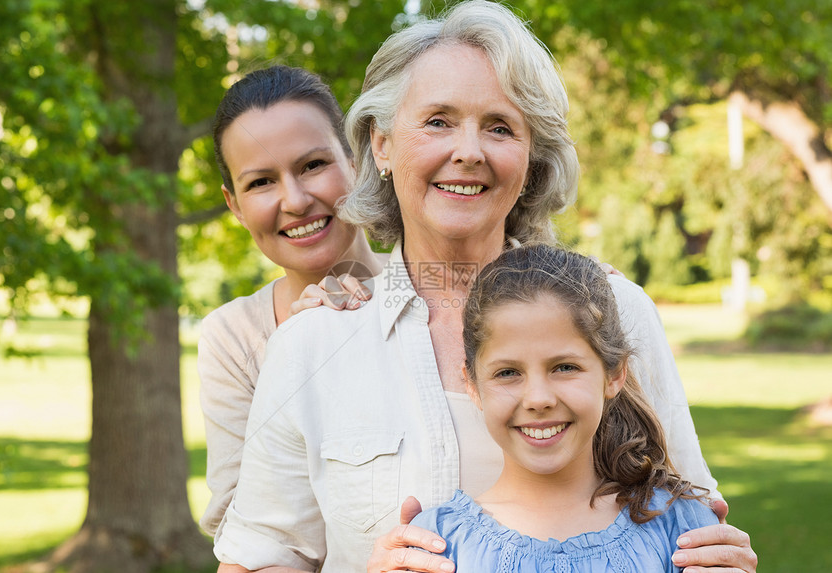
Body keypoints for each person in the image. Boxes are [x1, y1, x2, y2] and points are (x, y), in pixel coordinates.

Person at [213, 2, 757, 572]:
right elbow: (259, 559)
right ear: (381, 144)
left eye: (500, 127)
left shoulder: (615, 311)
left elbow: (690, 527)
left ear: (530, 157)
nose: (468, 151)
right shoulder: (314, 343)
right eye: (438, 121)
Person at [409, 243, 720, 571]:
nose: (538, 399)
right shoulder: (436, 548)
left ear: (614, 373)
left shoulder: (681, 532)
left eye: (565, 367)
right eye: (508, 373)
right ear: (472, 385)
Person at [198, 65, 385, 536]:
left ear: (357, 164)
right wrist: (295, 356)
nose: (296, 200)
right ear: (234, 204)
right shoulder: (233, 338)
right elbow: (240, 527)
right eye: (261, 182)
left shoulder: (429, 288)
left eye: (313, 165)